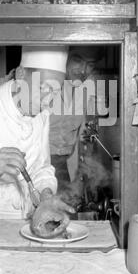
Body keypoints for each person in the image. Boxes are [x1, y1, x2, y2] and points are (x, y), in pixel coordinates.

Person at [0, 45, 75, 237]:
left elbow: (42, 168)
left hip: (29, 217)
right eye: (44, 88)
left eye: (55, 93)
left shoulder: (41, 114)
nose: (48, 102)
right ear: (21, 75)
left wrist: (46, 197)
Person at [49, 46, 104, 187]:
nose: (83, 70)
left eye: (90, 64)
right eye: (77, 60)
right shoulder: (43, 85)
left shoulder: (87, 89)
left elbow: (86, 131)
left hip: (62, 165)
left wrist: (86, 168)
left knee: (67, 204)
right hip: (35, 163)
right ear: (64, 57)